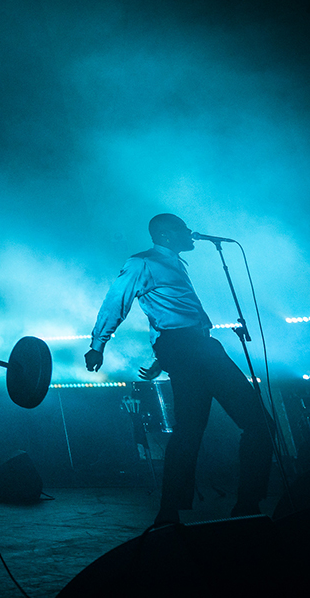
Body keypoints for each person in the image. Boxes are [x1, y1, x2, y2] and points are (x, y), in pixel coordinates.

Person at [84, 213, 273, 526]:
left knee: (191, 430)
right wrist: (97, 344)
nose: (191, 233)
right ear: (167, 235)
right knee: (254, 423)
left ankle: (172, 511)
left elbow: (168, 316)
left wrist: (163, 358)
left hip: (194, 347)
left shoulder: (175, 264)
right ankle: (243, 505)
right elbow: (116, 302)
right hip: (191, 349)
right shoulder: (142, 262)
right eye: (184, 229)